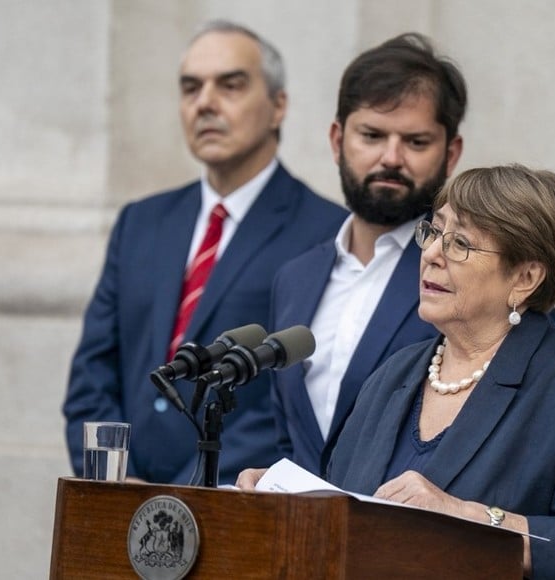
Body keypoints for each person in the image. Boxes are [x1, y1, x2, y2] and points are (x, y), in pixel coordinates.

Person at [240, 165, 555, 579]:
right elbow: (349, 508)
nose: (432, 254)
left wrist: (462, 516)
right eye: (434, 232)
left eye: (460, 244)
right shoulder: (394, 373)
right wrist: (287, 498)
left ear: (525, 277)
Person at [63, 20, 347, 485]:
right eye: (191, 88)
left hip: (230, 503)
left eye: (230, 85)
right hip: (117, 502)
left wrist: (184, 496)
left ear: (278, 106)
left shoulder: (323, 231)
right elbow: (92, 377)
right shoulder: (142, 222)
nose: (206, 103)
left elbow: (296, 397)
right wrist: (119, 482)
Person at [269, 33, 466, 477]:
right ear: (338, 139)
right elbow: (288, 437)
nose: (391, 158)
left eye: (416, 142)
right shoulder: (294, 279)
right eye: (373, 135)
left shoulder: (472, 274)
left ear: (451, 153)